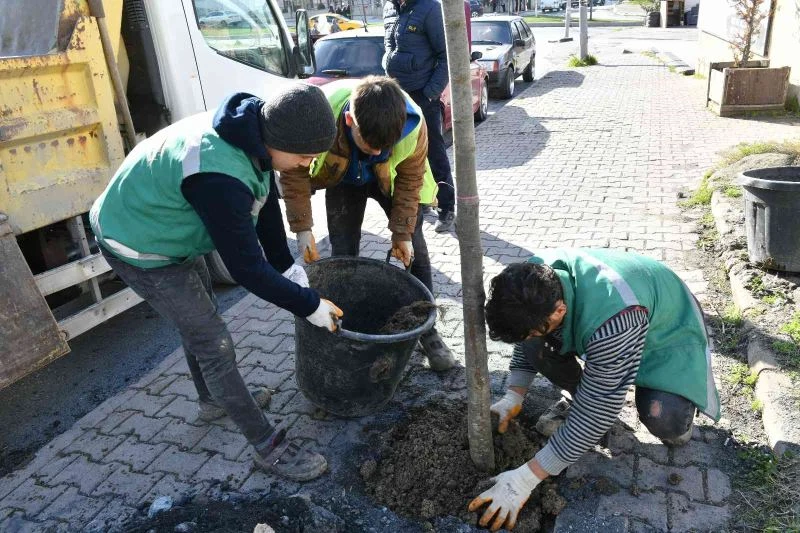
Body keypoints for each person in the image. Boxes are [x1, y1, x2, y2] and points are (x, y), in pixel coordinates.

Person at [89, 84, 342, 483]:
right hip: (137, 241)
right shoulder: (219, 176)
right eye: (305, 156)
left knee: (201, 312)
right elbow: (246, 270)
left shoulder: (252, 130)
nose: (306, 165)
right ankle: (267, 446)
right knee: (213, 340)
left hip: (166, 223)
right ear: (277, 140)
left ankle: (212, 399)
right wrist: (307, 304)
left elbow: (265, 201)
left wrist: (287, 267)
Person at [469, 248, 721, 531]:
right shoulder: (534, 283)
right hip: (614, 328)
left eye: (534, 330)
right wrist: (514, 395)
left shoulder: (614, 318)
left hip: (665, 334)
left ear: (560, 310)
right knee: (542, 345)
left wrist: (526, 478)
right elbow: (527, 340)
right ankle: (587, 392)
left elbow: (601, 407)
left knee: (663, 418)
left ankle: (677, 408)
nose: (530, 337)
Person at [278, 76, 456, 372]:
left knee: (416, 253)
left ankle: (427, 331)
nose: (376, 152)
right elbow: (294, 172)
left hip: (393, 179)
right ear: (349, 120)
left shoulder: (414, 125)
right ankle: (343, 323)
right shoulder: (319, 115)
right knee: (344, 251)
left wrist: (402, 234)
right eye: (369, 144)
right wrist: (303, 229)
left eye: (384, 146)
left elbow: (411, 180)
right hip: (344, 179)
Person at [383, 0, 456, 233]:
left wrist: (431, 93)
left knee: (434, 153)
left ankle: (447, 207)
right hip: (397, 96)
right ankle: (420, 202)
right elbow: (389, 47)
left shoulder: (430, 7)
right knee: (403, 153)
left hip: (424, 96)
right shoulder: (389, 8)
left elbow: (447, 55)